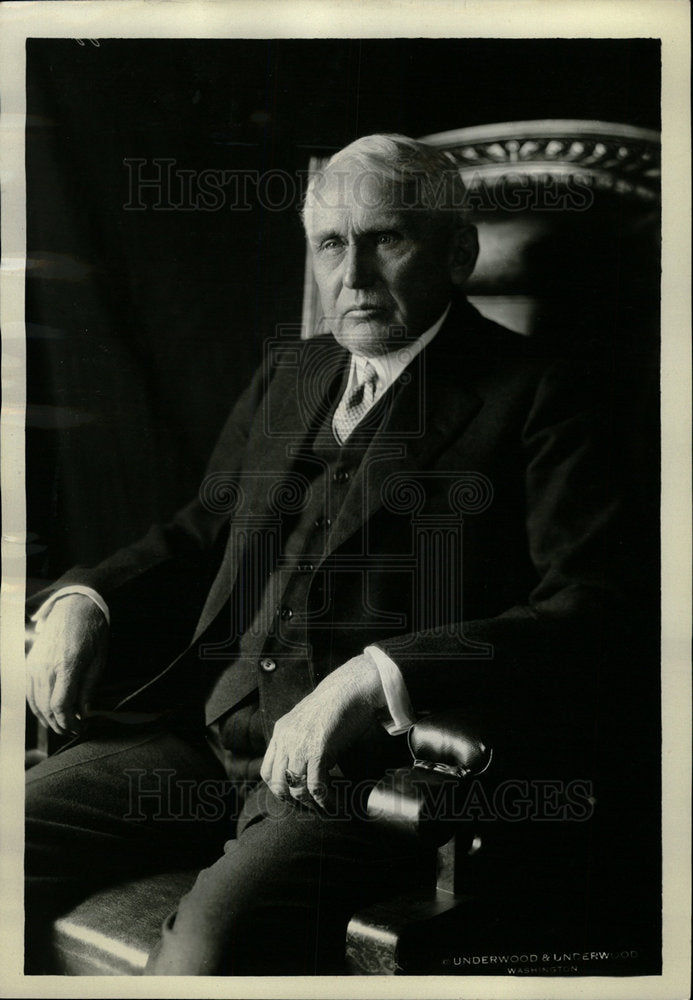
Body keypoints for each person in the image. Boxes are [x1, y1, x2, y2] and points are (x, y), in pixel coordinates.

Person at [25, 133, 651, 975]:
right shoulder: (294, 371)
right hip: (207, 736)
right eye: (330, 243)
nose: (350, 276)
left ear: (457, 252)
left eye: (385, 239)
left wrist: (378, 673)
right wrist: (82, 600)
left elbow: (592, 610)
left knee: (205, 960)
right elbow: (203, 533)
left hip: (356, 779)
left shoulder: (547, 395)